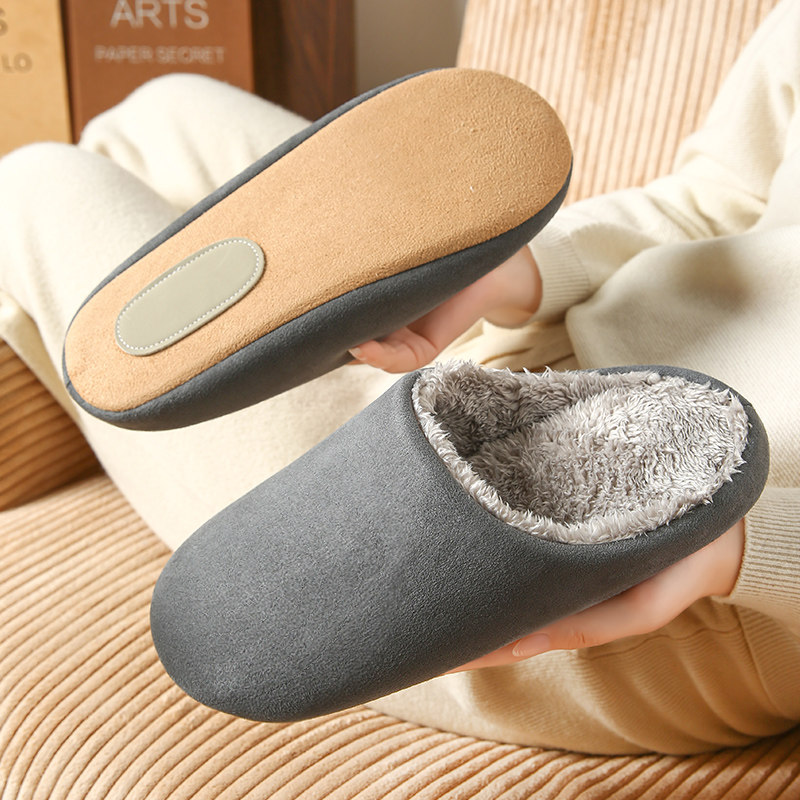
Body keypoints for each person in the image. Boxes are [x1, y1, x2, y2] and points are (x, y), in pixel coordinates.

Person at [1, 0, 798, 756]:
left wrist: (745, 549)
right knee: (161, 112)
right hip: (574, 346)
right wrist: (518, 274)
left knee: (33, 185)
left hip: (670, 565)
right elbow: (721, 200)